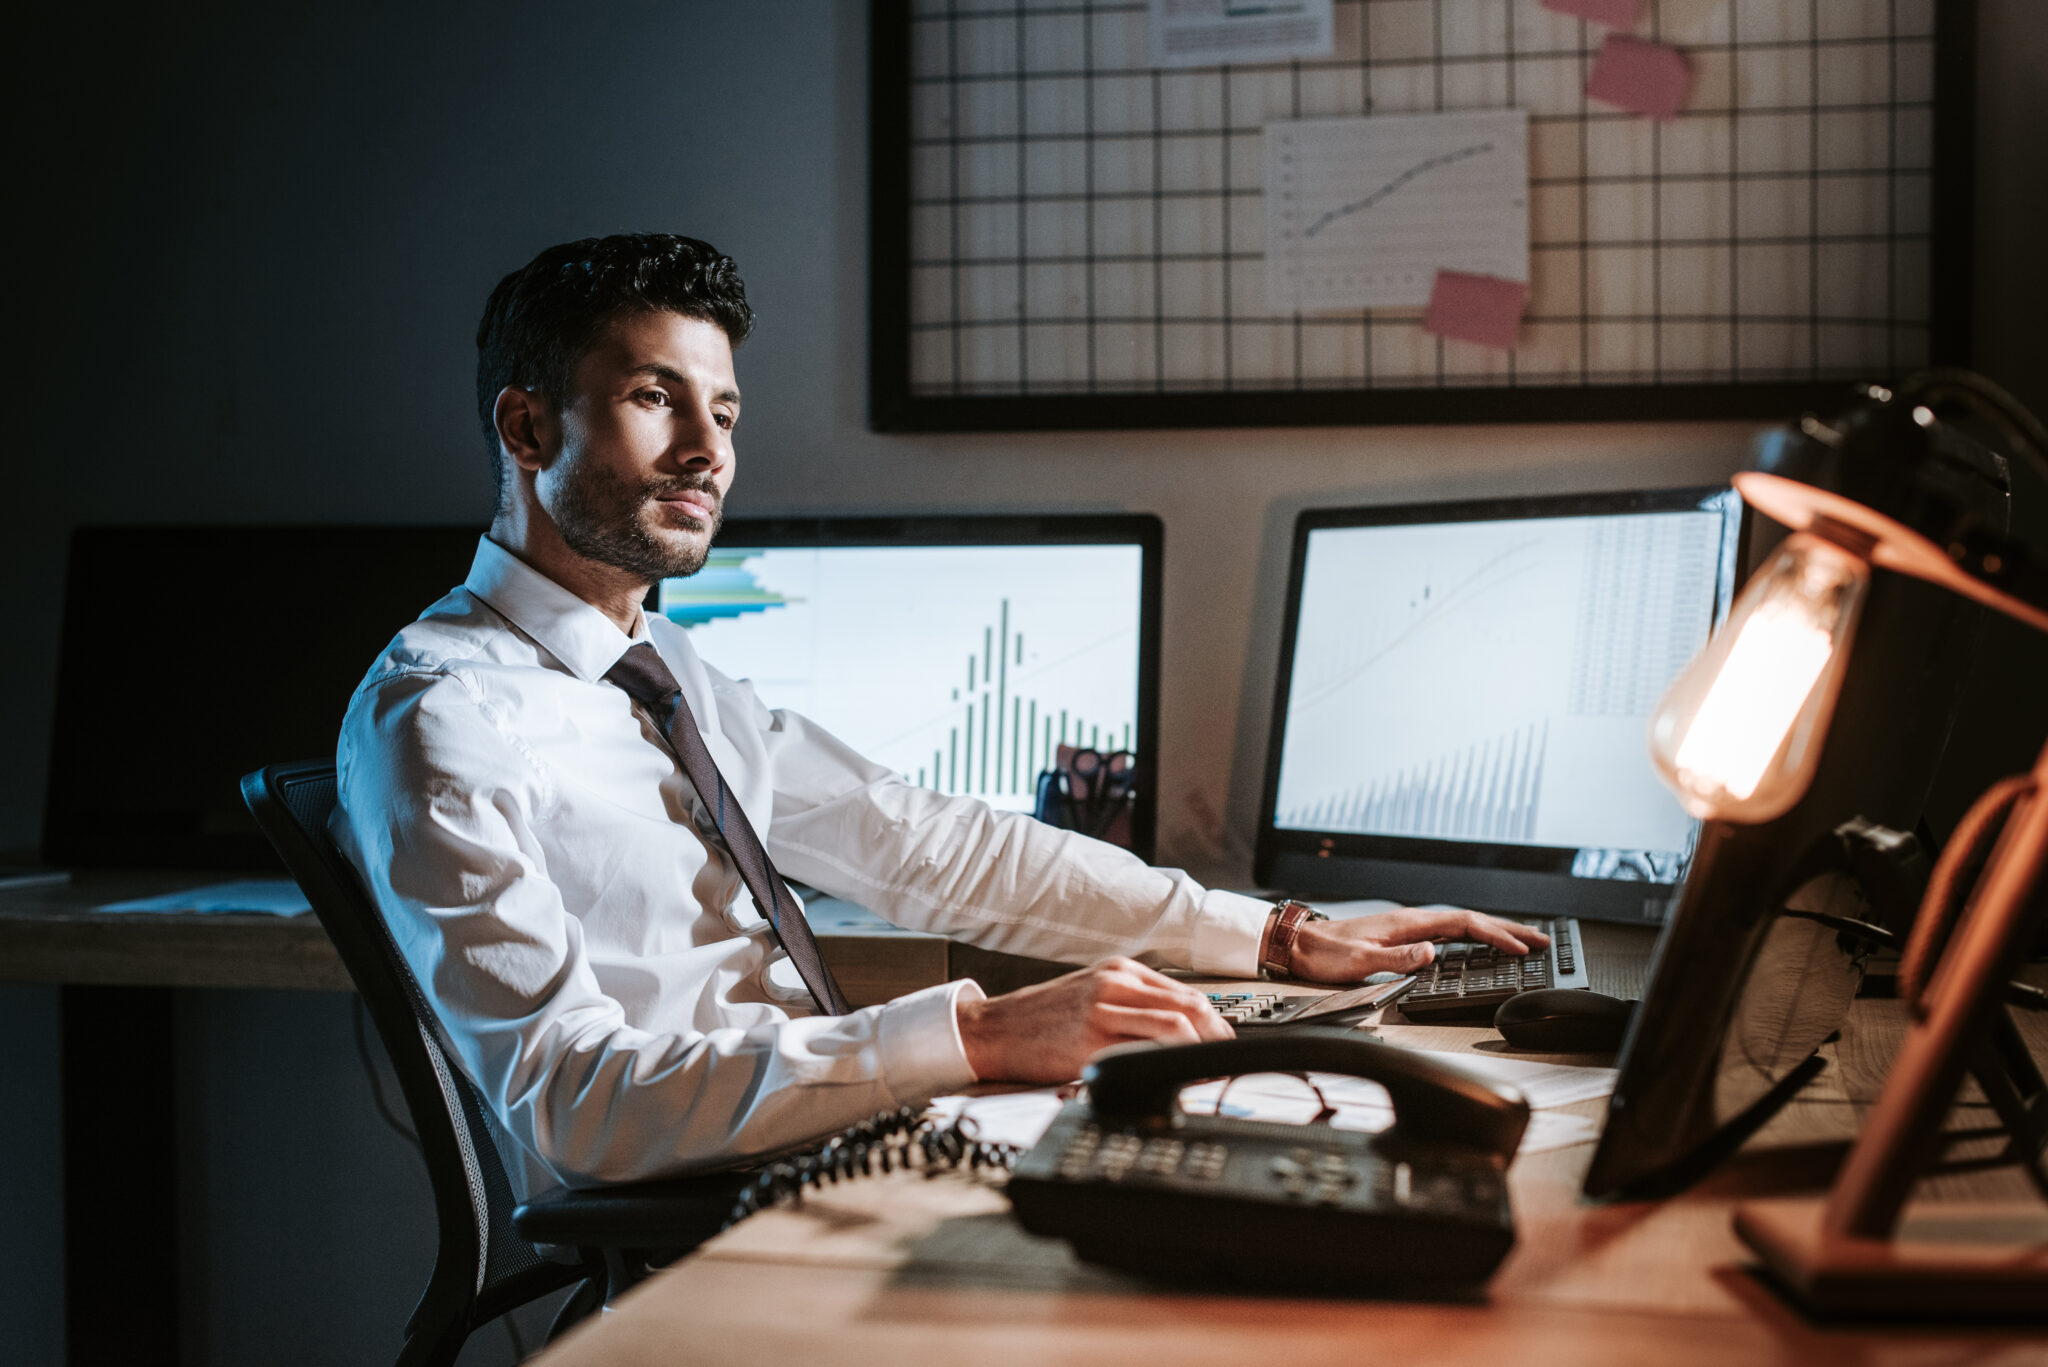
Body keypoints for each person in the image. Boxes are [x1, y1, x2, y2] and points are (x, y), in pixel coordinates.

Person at [333, 233, 1547, 1193]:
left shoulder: (662, 665)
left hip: (836, 1138)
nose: (710, 450)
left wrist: (1269, 935)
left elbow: (920, 839)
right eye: (659, 398)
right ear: (527, 424)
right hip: (697, 1204)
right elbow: (577, 1103)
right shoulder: (442, 720)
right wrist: (970, 1034)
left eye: (728, 411)